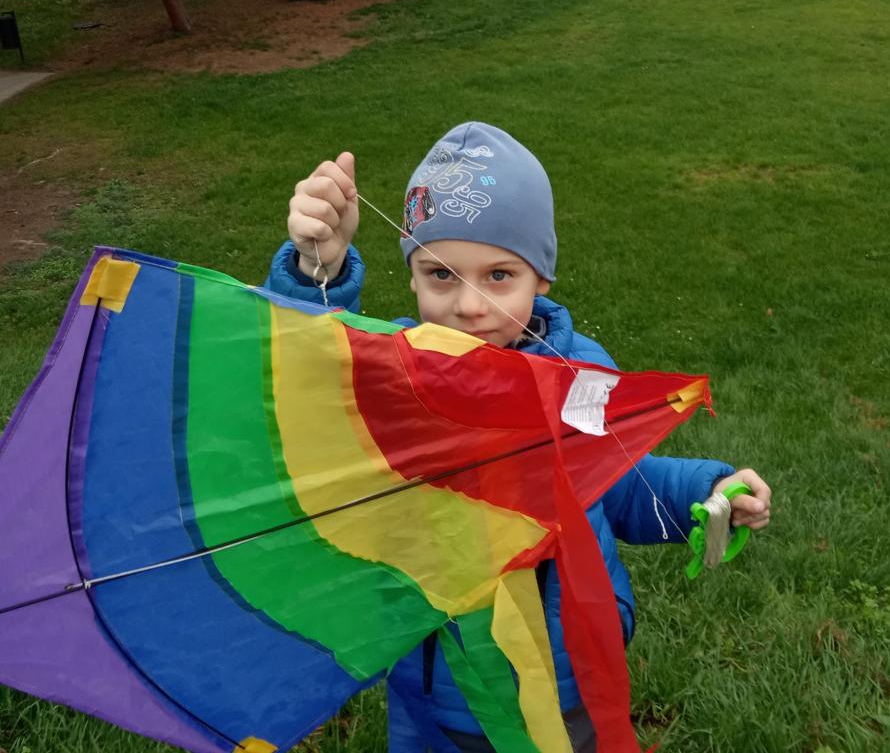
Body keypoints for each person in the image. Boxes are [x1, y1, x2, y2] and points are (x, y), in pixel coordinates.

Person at [265, 122, 771, 753]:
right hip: (437, 688)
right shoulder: (396, 375)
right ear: (412, 276)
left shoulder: (580, 378)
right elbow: (306, 378)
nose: (470, 306)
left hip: (569, 677)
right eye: (441, 274)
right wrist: (319, 267)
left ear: (541, 279)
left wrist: (705, 490)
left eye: (500, 275)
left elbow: (616, 484)